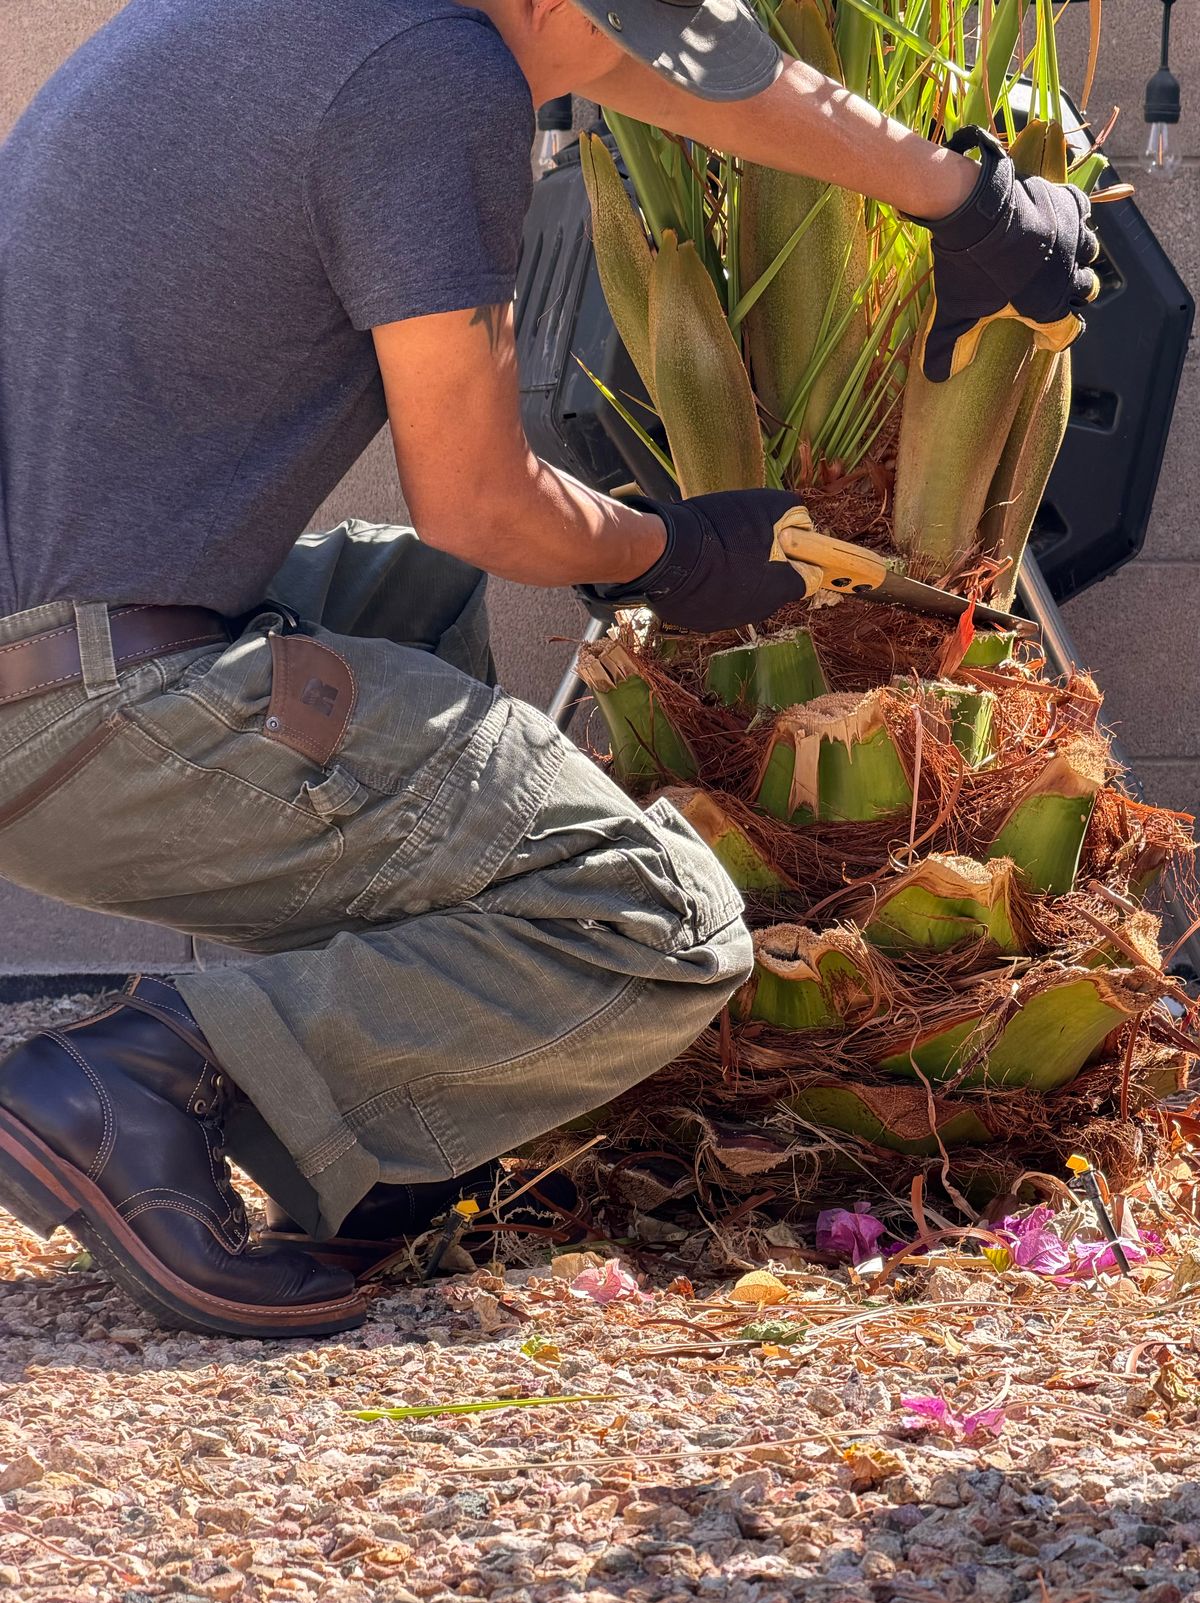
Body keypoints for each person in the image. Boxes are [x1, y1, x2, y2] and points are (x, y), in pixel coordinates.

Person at [0, 0, 1098, 1337]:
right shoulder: (433, 78)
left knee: (405, 589)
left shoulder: (287, 26)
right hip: (85, 710)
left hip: (51, 657)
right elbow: (478, 498)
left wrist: (966, 202)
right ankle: (140, 1077)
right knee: (656, 925)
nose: (651, 64)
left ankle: (370, 1145)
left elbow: (686, 76)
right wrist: (676, 554)